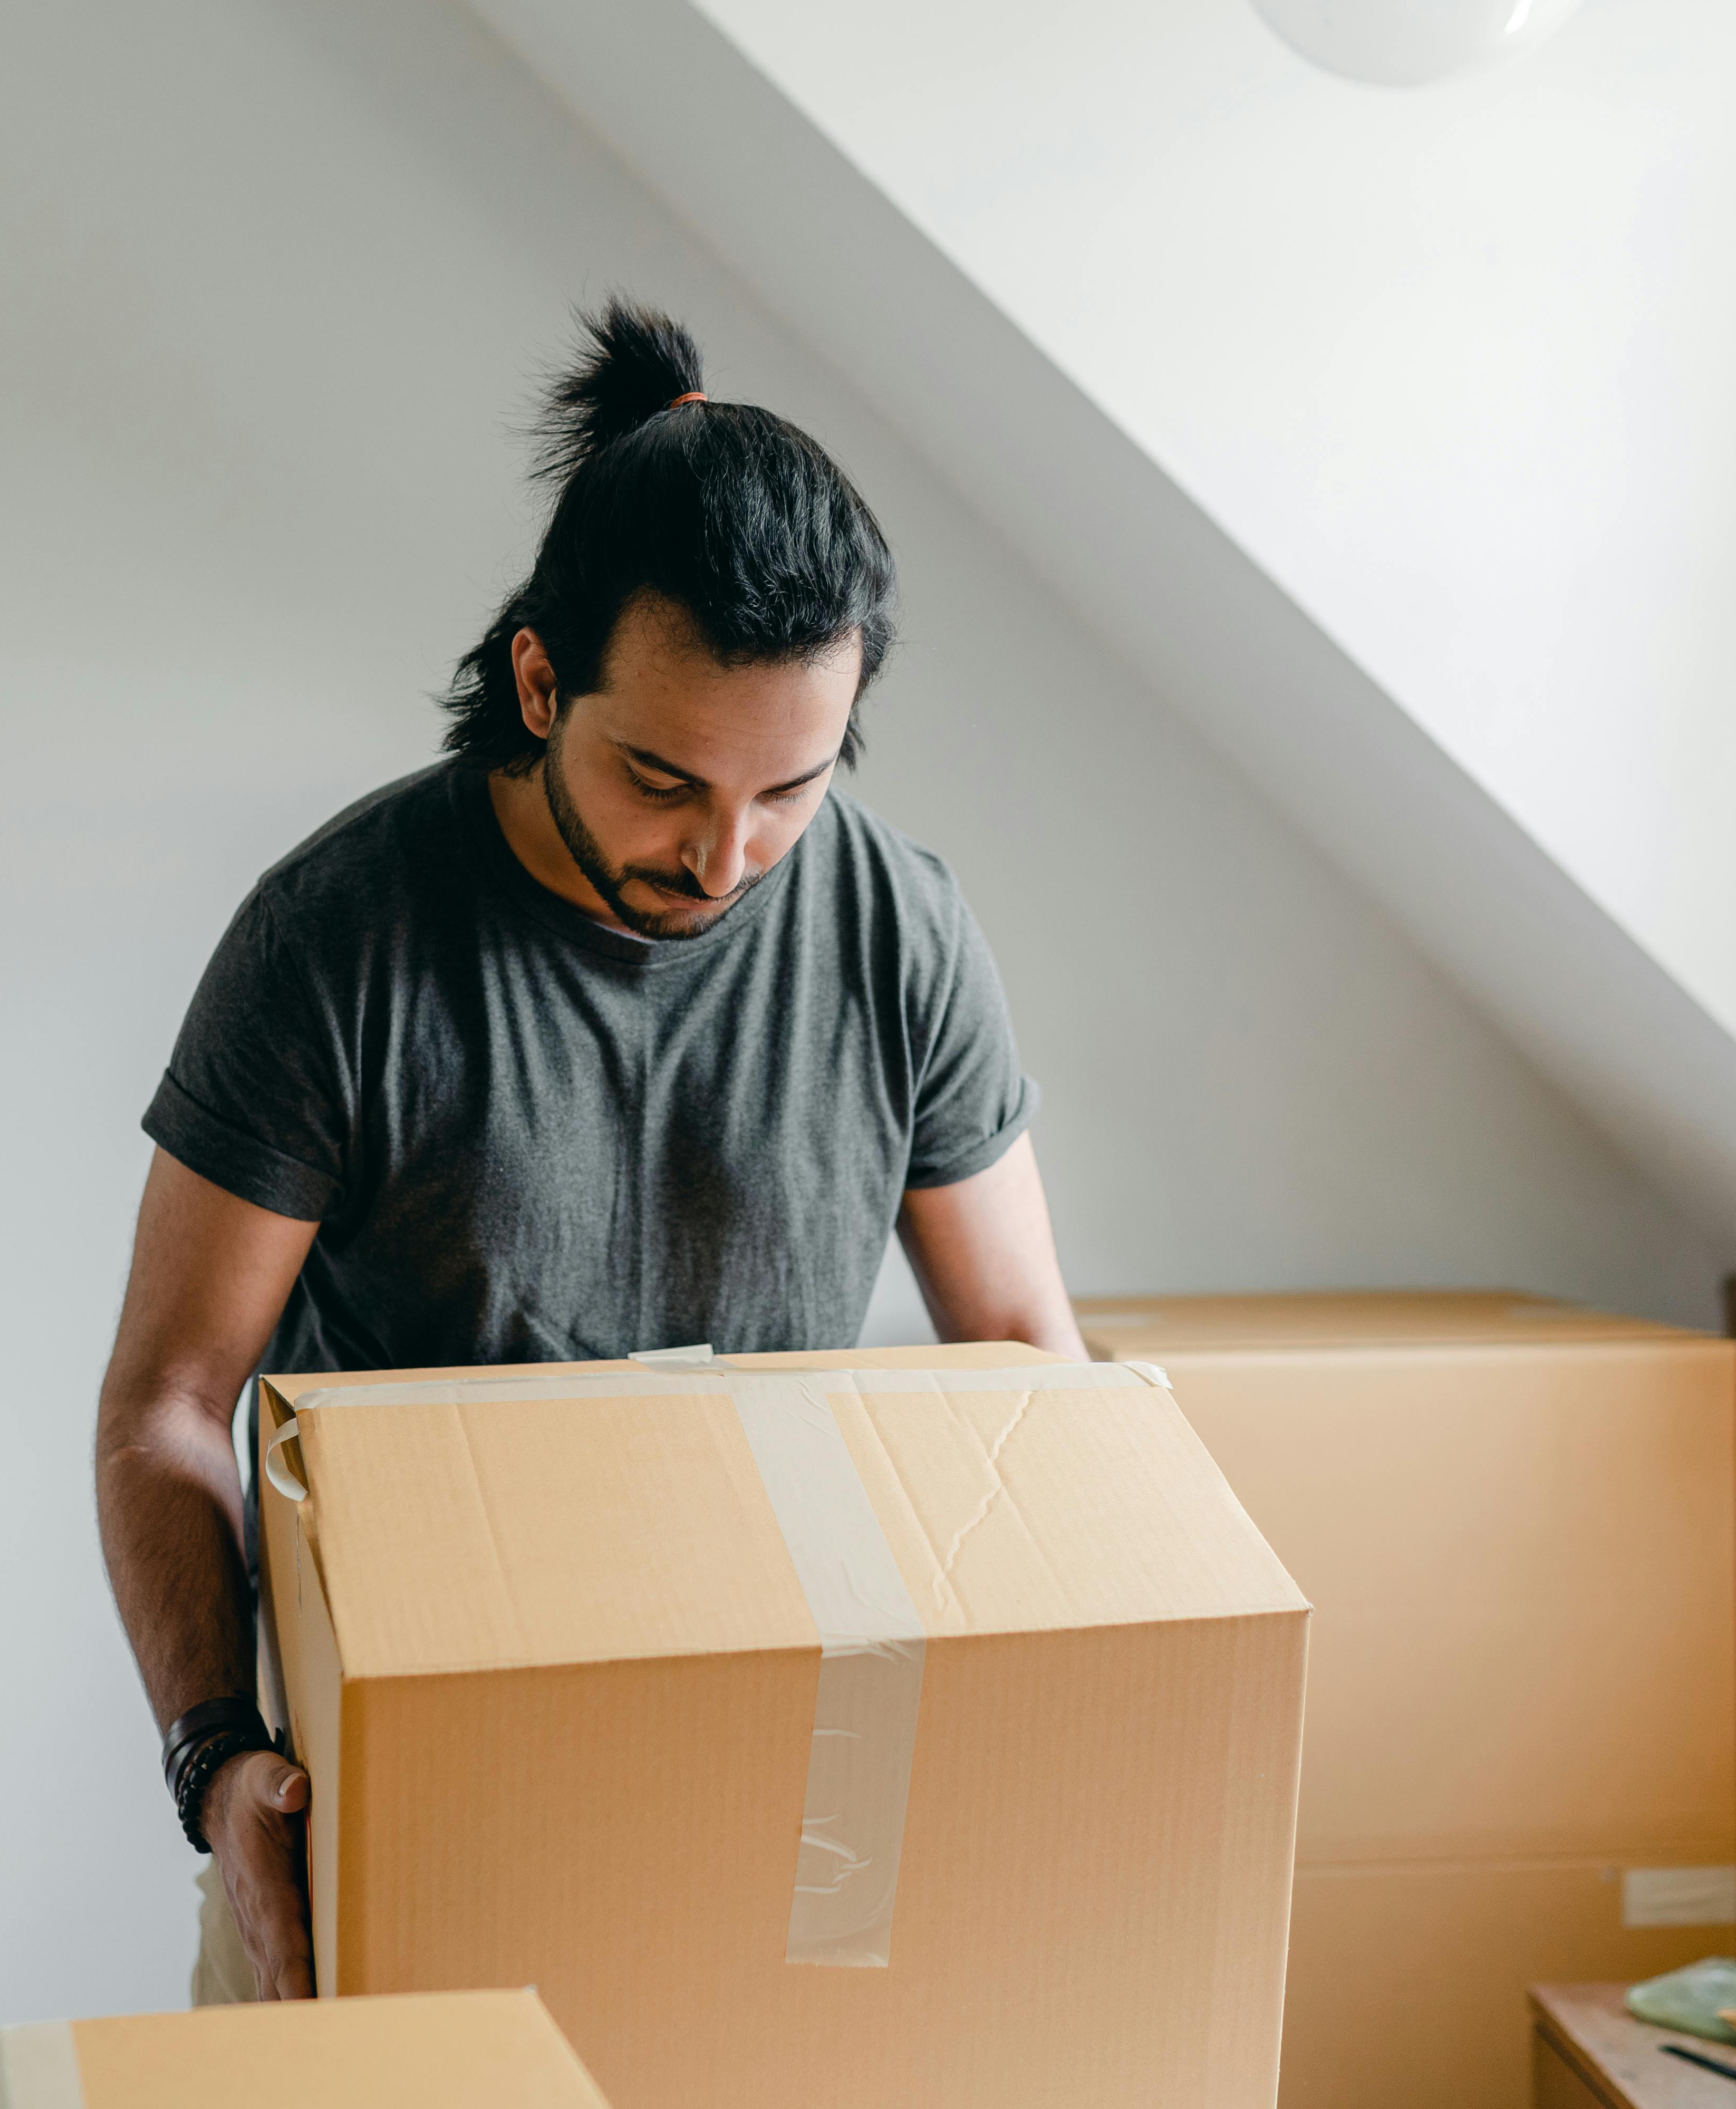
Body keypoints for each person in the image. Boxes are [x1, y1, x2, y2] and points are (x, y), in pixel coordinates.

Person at [92, 299, 1088, 2006]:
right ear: (542, 678)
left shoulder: (901, 927)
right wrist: (216, 1764)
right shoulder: (338, 941)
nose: (724, 859)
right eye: (660, 780)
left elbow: (1021, 1364)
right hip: (387, 1800)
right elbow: (171, 1403)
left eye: (790, 788)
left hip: (775, 1799)